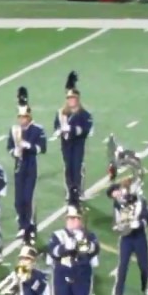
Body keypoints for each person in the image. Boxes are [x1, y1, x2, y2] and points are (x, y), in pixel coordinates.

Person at [48, 206, 100, 295]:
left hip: (82, 275)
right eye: (70, 218)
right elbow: (53, 251)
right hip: (62, 275)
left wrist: (85, 244)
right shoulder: (58, 235)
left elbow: (95, 249)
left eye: (76, 218)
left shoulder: (89, 234)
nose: (73, 221)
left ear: (81, 220)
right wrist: (67, 247)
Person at [7, 88, 47, 238]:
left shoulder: (37, 129)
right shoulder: (14, 130)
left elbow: (42, 148)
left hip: (31, 166)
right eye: (20, 117)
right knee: (18, 200)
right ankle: (22, 223)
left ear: (29, 117)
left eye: (24, 117)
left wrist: (28, 146)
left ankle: (29, 226)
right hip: (18, 166)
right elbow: (9, 146)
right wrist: (14, 152)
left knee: (28, 197)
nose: (21, 120)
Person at [53, 72, 93, 202]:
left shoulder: (84, 114)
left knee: (77, 166)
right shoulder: (61, 113)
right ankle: (70, 190)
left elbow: (86, 129)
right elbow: (56, 126)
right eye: (69, 98)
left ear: (77, 99)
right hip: (66, 144)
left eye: (73, 98)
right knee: (68, 167)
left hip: (77, 144)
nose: (71, 100)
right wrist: (59, 131)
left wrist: (72, 129)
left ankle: (79, 189)